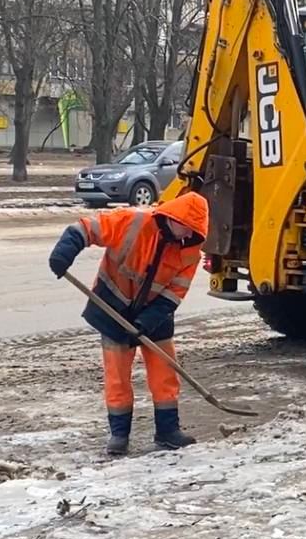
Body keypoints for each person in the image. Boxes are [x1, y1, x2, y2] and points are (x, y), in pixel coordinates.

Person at [48, 192, 210, 455]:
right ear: (174, 218)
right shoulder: (133, 222)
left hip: (155, 316)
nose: (189, 235)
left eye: (195, 231)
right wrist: (64, 253)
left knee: (165, 373)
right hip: (112, 309)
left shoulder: (190, 251)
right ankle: (119, 434)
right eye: (187, 227)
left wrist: (146, 322)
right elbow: (85, 229)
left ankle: (168, 431)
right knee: (117, 375)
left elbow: (173, 294)